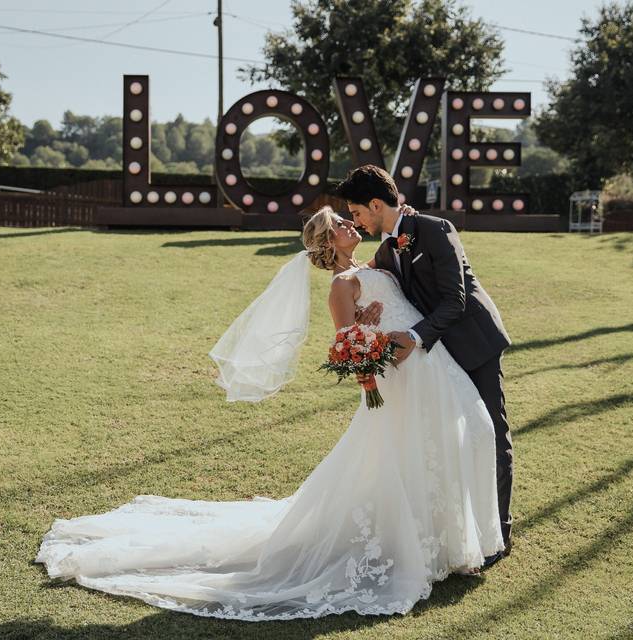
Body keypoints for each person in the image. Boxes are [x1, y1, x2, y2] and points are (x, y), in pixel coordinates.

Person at [34, 206, 504, 621]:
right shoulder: (341, 285)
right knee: (402, 456)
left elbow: (401, 296)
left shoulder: (380, 261)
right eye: (339, 223)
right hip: (397, 379)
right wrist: (369, 337)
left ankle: (445, 544)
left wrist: (377, 319)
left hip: (428, 370)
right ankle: (415, 549)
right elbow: (345, 345)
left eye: (349, 216)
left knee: (452, 441)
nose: (349, 222)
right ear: (327, 242)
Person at [339, 165, 514, 564]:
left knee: (489, 434)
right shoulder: (387, 246)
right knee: (453, 439)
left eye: (357, 212)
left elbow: (457, 300)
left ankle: (498, 535)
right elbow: (365, 279)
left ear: (377, 203)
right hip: (439, 355)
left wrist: (414, 337)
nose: (356, 220)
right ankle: (461, 529)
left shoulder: (437, 230)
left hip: (474, 343)